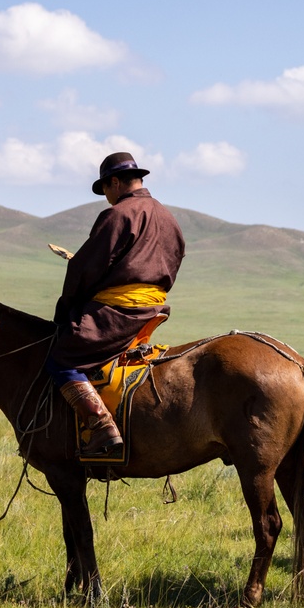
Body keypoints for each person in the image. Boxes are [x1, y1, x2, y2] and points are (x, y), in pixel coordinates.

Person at [46, 152, 185, 457]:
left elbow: (84, 269)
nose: (107, 197)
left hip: (120, 313)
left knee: (61, 357)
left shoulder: (118, 215)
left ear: (115, 182)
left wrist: (66, 309)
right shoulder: (168, 217)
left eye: (106, 189)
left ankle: (101, 427)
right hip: (154, 309)